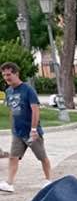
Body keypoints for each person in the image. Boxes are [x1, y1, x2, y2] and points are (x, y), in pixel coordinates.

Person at [0, 62, 52, 194]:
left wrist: (34, 129)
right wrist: (12, 127)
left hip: (31, 131)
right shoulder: (8, 91)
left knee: (42, 156)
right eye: (4, 75)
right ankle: (9, 183)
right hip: (17, 132)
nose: (6, 78)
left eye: (9, 74)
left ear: (16, 73)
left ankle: (48, 180)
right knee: (13, 157)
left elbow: (35, 110)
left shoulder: (28, 90)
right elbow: (12, 110)